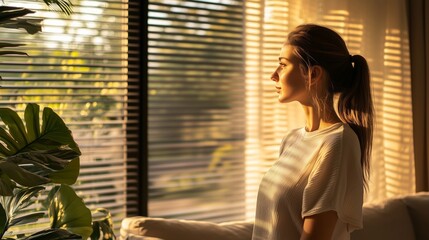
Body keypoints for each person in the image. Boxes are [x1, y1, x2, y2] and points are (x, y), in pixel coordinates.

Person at [251, 24, 373, 240]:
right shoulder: (292, 139)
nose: (273, 75)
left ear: (313, 74)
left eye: (283, 65)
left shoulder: (339, 143)